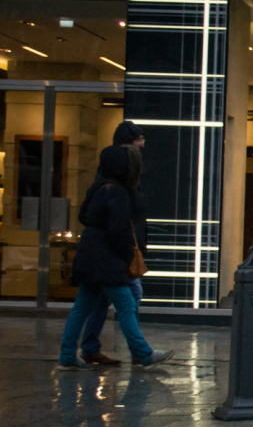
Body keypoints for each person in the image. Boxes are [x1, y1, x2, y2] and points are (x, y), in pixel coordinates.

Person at [57, 145, 172, 370]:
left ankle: (67, 356)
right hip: (107, 259)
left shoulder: (97, 187)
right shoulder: (118, 192)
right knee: (126, 304)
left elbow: (83, 216)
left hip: (88, 254)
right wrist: (128, 254)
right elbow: (118, 230)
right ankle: (143, 354)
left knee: (81, 307)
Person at [80, 121, 148, 366]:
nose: (142, 144)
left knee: (97, 301)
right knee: (130, 297)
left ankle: (87, 348)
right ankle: (140, 352)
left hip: (115, 251)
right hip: (117, 252)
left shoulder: (113, 175)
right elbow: (121, 219)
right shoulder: (121, 178)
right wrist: (130, 249)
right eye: (139, 139)